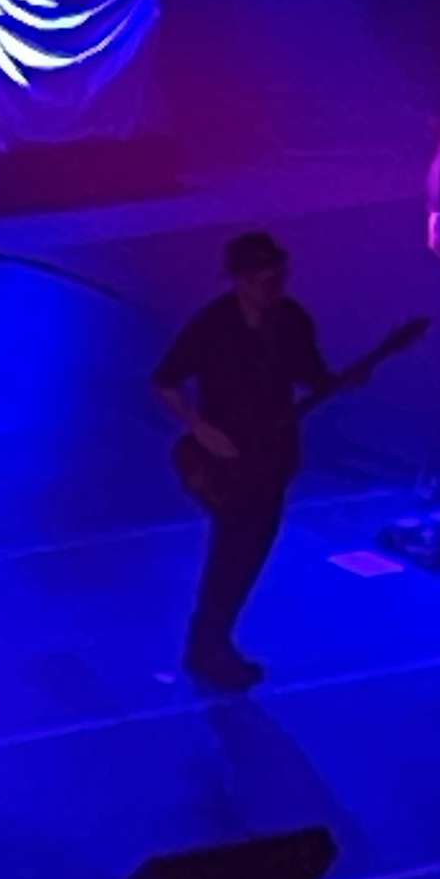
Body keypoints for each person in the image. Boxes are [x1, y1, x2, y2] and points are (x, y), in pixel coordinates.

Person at [153, 232, 336, 692]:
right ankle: (208, 645)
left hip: (273, 457)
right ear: (239, 280)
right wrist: (200, 427)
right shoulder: (215, 325)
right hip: (226, 459)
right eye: (265, 281)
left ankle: (211, 642)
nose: (275, 290)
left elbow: (310, 374)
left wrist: (336, 382)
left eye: (279, 279)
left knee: (247, 550)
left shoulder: (290, 320)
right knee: (234, 550)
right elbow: (165, 381)